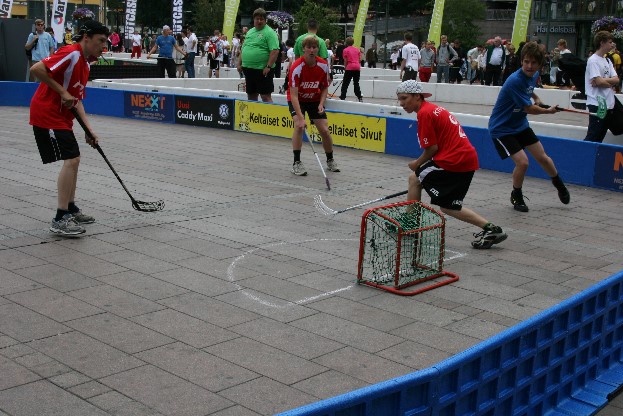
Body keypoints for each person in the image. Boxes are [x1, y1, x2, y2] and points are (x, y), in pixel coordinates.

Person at [396, 80, 507, 249]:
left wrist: (417, 163)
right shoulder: (431, 109)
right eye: (399, 99)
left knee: (415, 178)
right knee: (449, 206)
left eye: (404, 98)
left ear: (417, 97)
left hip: (453, 160)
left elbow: (432, 148)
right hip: (466, 159)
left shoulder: (425, 113)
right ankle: (492, 229)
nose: (401, 103)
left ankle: (410, 225)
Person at [29, 20, 109, 236]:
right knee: (71, 158)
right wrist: (62, 92)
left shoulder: (85, 63)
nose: (104, 46)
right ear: (86, 38)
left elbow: (77, 100)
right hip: (47, 112)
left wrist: (88, 129)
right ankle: (60, 217)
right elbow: (37, 69)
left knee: (75, 158)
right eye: (100, 41)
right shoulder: (72, 53)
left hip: (63, 116)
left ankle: (70, 208)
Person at [488, 41, 570, 212]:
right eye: (526, 62)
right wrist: (549, 111)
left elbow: (529, 89)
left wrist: (536, 97)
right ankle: (516, 194)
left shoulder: (533, 75)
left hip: (520, 125)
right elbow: (529, 109)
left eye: (533, 63)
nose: (529, 66)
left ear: (539, 64)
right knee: (523, 163)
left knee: (543, 158)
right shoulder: (514, 80)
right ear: (521, 61)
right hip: (502, 129)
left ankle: (559, 185)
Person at [287, 35, 340, 177]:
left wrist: (322, 103)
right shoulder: (296, 67)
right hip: (297, 100)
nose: (311, 50)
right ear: (303, 49)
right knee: (299, 126)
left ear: (318, 49)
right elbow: (293, 95)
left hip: (315, 100)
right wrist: (300, 117)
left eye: (314, 47)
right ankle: (296, 163)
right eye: (308, 47)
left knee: (324, 129)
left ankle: (330, 159)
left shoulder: (323, 65)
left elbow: (324, 87)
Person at [238, 8, 280, 102]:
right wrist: (239, 63)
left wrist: (268, 66)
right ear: (254, 20)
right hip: (248, 69)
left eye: (261, 19)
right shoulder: (250, 32)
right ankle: (253, 115)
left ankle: (269, 115)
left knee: (265, 96)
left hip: (262, 70)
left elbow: (275, 51)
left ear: (265, 20)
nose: (259, 21)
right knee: (251, 95)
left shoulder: (270, 32)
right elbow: (243, 48)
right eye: (257, 19)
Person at [584, 31, 620, 143]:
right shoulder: (593, 60)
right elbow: (599, 82)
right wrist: (608, 82)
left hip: (608, 103)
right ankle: (582, 156)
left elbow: (616, 79)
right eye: (609, 42)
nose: (612, 44)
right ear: (602, 43)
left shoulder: (607, 60)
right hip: (598, 103)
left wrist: (603, 81)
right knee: (594, 134)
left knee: (600, 136)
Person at [339, 36, 363, 102]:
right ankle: (359, 96)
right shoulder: (357, 49)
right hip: (357, 67)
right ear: (353, 42)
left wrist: (345, 67)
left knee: (345, 83)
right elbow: (360, 59)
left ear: (346, 43)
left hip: (350, 67)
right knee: (356, 83)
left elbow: (345, 60)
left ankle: (343, 96)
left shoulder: (345, 50)